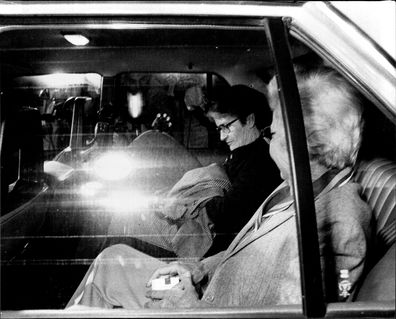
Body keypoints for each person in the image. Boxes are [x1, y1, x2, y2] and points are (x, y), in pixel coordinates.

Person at [66, 66, 372, 309]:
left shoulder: (340, 223)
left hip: (204, 308)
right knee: (112, 260)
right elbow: (245, 254)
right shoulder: (298, 190)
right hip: (202, 284)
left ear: (304, 143)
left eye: (274, 134)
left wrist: (190, 307)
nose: (267, 143)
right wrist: (194, 269)